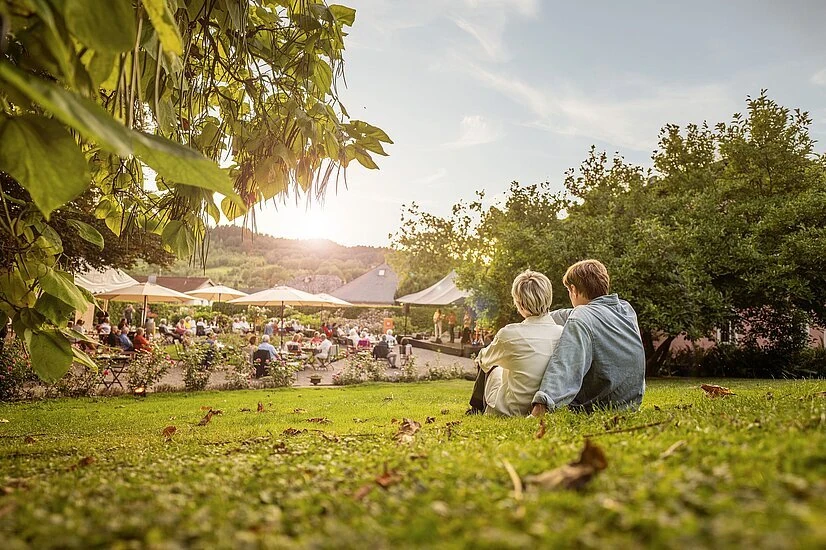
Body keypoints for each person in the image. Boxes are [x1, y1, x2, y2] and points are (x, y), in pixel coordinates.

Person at [530, 259, 646, 417]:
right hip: (629, 403)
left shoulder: (582, 315)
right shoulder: (625, 310)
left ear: (573, 290)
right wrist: (537, 319)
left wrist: (542, 404)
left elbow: (566, 364)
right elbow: (568, 315)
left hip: (599, 405)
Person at [467, 270, 563, 417]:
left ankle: (475, 408)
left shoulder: (510, 334)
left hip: (512, 410)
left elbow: (484, 360)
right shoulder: (562, 333)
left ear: (520, 303)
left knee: (488, 362)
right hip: (548, 404)